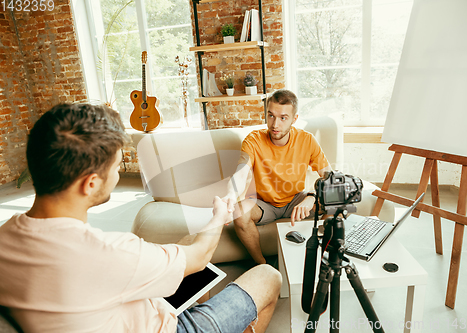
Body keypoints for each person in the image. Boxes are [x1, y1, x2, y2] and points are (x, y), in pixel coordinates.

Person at [0, 103, 281, 333]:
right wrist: (218, 216)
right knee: (268, 276)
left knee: (191, 264)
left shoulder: (5, 239)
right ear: (91, 183)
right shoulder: (111, 252)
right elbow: (200, 254)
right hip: (167, 327)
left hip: (117, 309)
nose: (119, 174)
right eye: (117, 166)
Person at [223, 89, 332, 264]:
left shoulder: (307, 140)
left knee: (336, 205)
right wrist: (230, 195)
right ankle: (262, 265)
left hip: (296, 198)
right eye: (271, 116)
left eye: (283, 118)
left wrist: (312, 197)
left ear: (294, 119)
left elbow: (329, 178)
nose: (275, 124)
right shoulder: (253, 140)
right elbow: (240, 173)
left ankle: (323, 259)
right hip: (264, 204)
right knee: (239, 212)